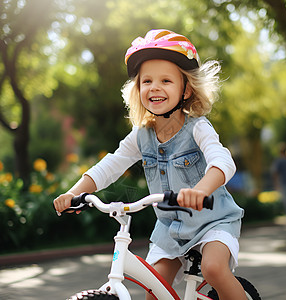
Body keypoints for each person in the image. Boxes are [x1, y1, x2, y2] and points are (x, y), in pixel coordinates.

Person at [53, 29, 246, 300]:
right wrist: (74, 193)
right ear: (138, 89)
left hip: (212, 222)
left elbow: (222, 160)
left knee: (213, 268)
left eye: (166, 80)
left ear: (186, 88)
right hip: (171, 230)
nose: (154, 87)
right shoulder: (141, 135)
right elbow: (110, 165)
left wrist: (201, 190)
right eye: (147, 81)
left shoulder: (198, 128)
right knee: (154, 291)